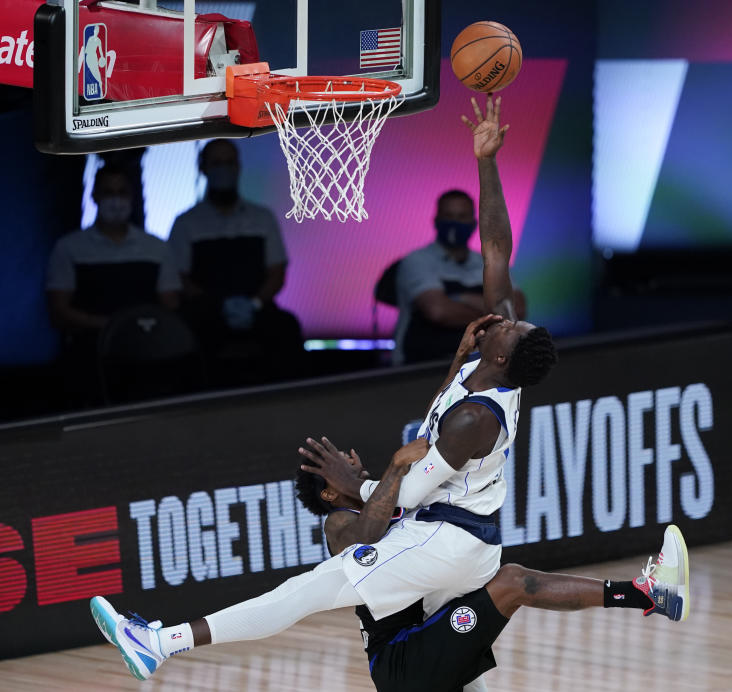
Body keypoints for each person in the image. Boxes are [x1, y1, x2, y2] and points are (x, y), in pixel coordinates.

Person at [87, 96, 571, 681]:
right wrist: (488, 160)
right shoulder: (492, 358)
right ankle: (163, 642)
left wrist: (366, 479)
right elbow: (497, 247)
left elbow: (408, 487)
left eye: (515, 324)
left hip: (451, 541)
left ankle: (161, 643)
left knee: (306, 592)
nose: (512, 314)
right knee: (444, 658)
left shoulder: (477, 414)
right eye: (516, 317)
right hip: (445, 545)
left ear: (503, 353)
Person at [92, 433, 690, 690]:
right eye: (340, 465)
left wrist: (462, 359)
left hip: (433, 649)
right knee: (514, 583)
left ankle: (649, 595)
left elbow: (441, 422)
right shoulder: (341, 524)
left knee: (514, 582)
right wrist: (398, 469)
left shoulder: (390, 492)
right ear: (329, 493)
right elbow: (372, 527)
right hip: (402, 665)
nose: (355, 459)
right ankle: (165, 641)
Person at [167, 139, 303, 384]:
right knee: (188, 334)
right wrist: (218, 306)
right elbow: (179, 278)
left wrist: (254, 303)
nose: (224, 169)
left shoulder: (262, 219)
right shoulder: (186, 223)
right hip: (207, 312)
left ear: (239, 167)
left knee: (286, 327)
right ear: (203, 168)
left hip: (256, 307)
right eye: (217, 163)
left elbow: (277, 272)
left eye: (229, 163)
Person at [46, 164, 181, 405]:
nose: (116, 200)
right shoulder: (69, 248)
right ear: (94, 196)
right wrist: (109, 326)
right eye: (108, 192)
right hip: (89, 351)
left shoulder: (156, 248)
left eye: (122, 192)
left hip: (145, 347)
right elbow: (58, 310)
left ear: (132, 197)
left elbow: (170, 305)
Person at [391, 188, 525, 365]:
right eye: (449, 216)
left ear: (474, 223)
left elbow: (518, 310)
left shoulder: (490, 263)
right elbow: (439, 312)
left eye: (462, 217)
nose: (455, 222)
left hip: (478, 368)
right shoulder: (416, 261)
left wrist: (458, 297)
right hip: (423, 368)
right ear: (436, 220)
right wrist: (496, 313)